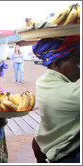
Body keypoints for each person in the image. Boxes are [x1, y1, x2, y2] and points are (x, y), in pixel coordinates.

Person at [31, 35, 80, 163]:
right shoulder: (72, 94)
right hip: (63, 152)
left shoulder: (42, 81)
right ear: (57, 64)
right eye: (78, 62)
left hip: (42, 143)